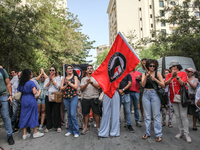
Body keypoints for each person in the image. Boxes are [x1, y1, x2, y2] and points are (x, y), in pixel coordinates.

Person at [165, 60, 191, 143]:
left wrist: (176, 77)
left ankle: (186, 134)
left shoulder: (183, 73)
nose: (171, 68)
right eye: (170, 67)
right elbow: (165, 83)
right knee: (178, 115)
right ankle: (181, 132)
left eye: (172, 67)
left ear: (176, 66)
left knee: (184, 115)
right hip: (173, 97)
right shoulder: (169, 75)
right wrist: (172, 77)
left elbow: (183, 83)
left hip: (182, 97)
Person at [141, 59, 164, 142]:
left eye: (154, 66)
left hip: (155, 94)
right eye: (150, 66)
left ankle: (158, 134)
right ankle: (147, 132)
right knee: (147, 115)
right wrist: (146, 76)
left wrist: (155, 79)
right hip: (146, 94)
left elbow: (163, 84)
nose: (152, 67)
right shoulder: (144, 74)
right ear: (147, 66)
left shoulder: (158, 74)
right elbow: (143, 85)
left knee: (156, 115)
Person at [17, 69, 44, 139]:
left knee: (23, 115)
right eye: (31, 74)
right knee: (34, 115)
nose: (32, 75)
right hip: (31, 99)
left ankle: (24, 134)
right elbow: (34, 92)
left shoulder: (21, 83)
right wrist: (37, 92)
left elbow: (19, 90)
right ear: (29, 75)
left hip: (23, 99)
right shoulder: (31, 82)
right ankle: (35, 132)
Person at [80, 65, 100, 134]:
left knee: (96, 113)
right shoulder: (83, 79)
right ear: (86, 71)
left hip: (94, 98)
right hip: (85, 98)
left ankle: (98, 128)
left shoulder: (96, 78)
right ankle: (86, 128)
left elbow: (98, 87)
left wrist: (91, 82)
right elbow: (82, 88)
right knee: (85, 114)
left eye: (91, 68)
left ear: (92, 70)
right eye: (88, 68)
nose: (89, 69)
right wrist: (87, 83)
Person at [60, 65, 79, 138]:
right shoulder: (64, 79)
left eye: (71, 68)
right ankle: (70, 130)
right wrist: (66, 84)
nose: (70, 69)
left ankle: (76, 131)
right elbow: (61, 88)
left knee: (73, 114)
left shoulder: (75, 77)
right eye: (69, 68)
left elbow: (76, 87)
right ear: (66, 71)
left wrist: (69, 83)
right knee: (69, 114)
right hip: (65, 98)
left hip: (73, 97)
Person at [44, 66, 61, 133]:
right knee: (48, 112)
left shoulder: (58, 78)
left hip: (56, 96)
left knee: (57, 111)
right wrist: (49, 81)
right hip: (48, 96)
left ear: (55, 71)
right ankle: (49, 126)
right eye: (50, 70)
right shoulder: (46, 79)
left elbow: (58, 87)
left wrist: (53, 80)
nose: (51, 71)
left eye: (53, 70)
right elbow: (45, 88)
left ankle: (58, 126)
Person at [0, 67, 15, 145]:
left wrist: (10, 95)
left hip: (3, 96)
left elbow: (8, 83)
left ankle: (10, 135)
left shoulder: (2, 71)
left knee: (6, 117)